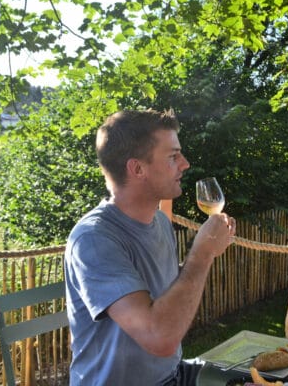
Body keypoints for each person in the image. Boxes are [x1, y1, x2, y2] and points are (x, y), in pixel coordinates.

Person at [64, 109, 236, 386]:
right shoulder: (94, 239)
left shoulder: (159, 221)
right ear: (137, 169)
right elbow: (159, 338)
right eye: (173, 156)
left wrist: (203, 252)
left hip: (171, 376)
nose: (185, 164)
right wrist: (203, 252)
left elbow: (167, 296)